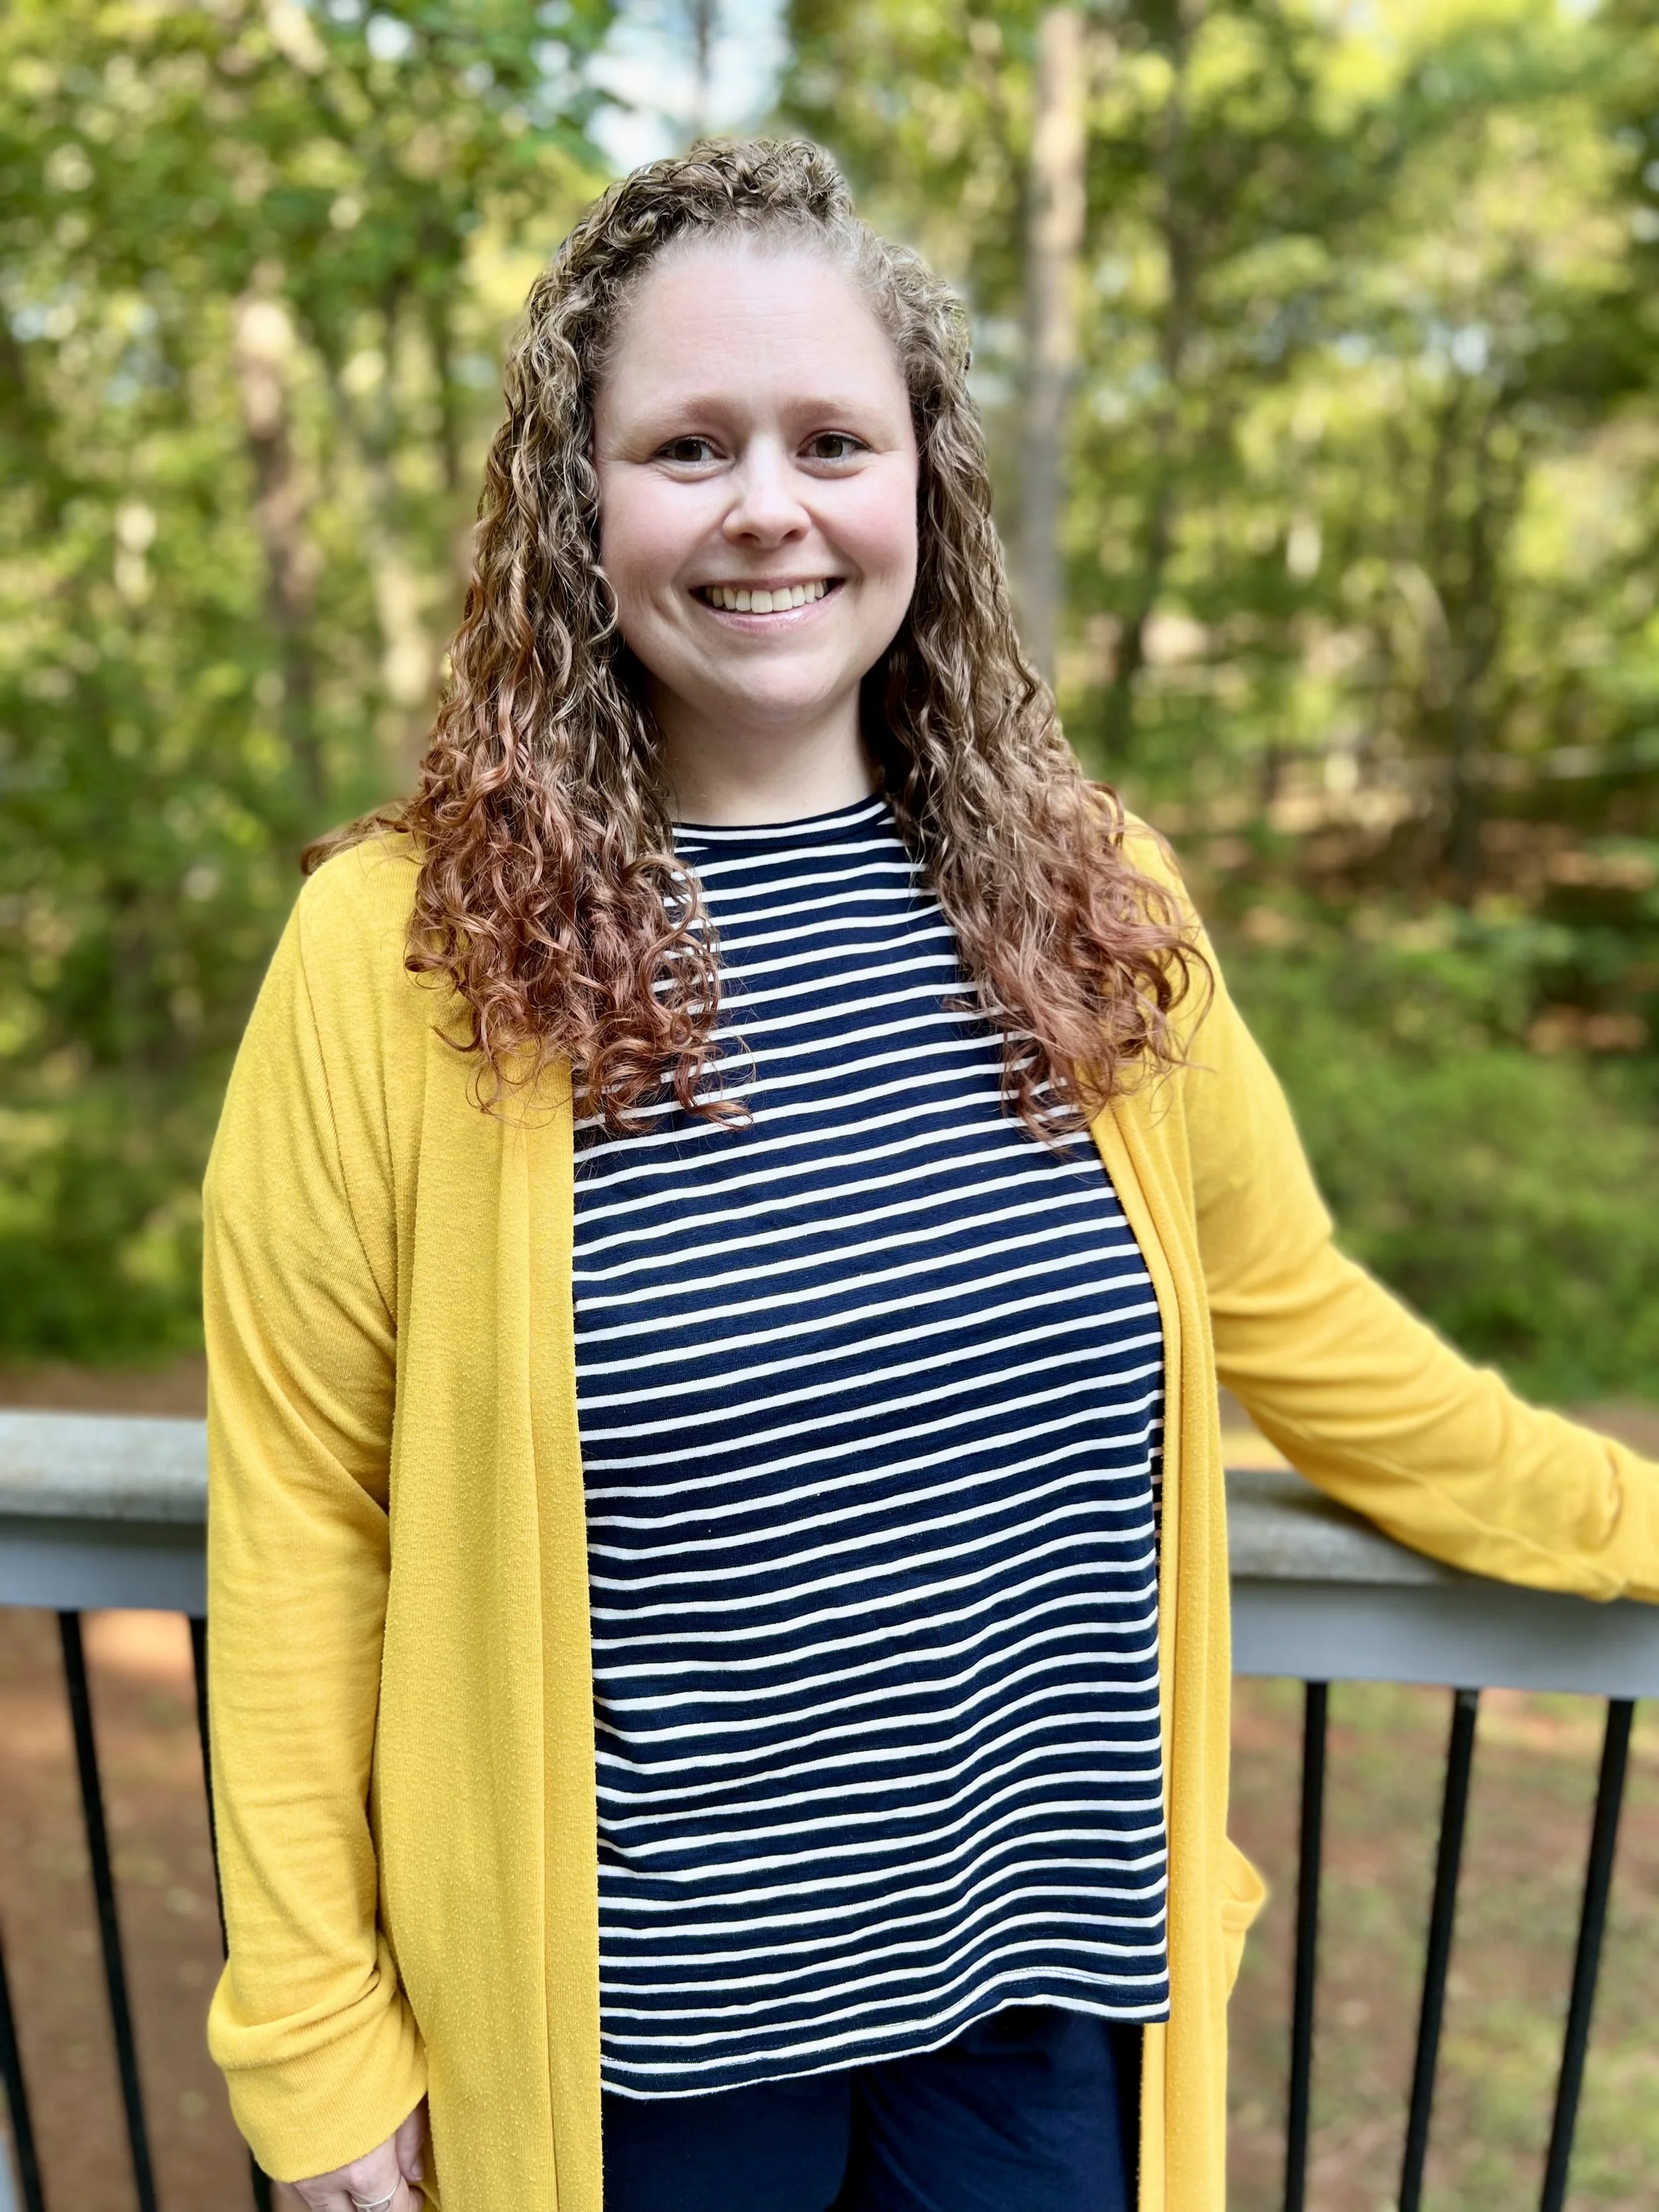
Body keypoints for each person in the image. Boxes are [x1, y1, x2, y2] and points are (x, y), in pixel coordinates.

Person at [201, 139, 1659, 2212]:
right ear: (575, 507)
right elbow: (298, 1516)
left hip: (1035, 2005)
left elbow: (1304, 1326)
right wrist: (317, 2028)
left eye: (828, 438)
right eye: (686, 444)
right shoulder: (394, 954)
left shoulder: (1087, 896)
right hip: (638, 2051)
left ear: (921, 487)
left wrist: (1631, 1518)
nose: (766, 506)